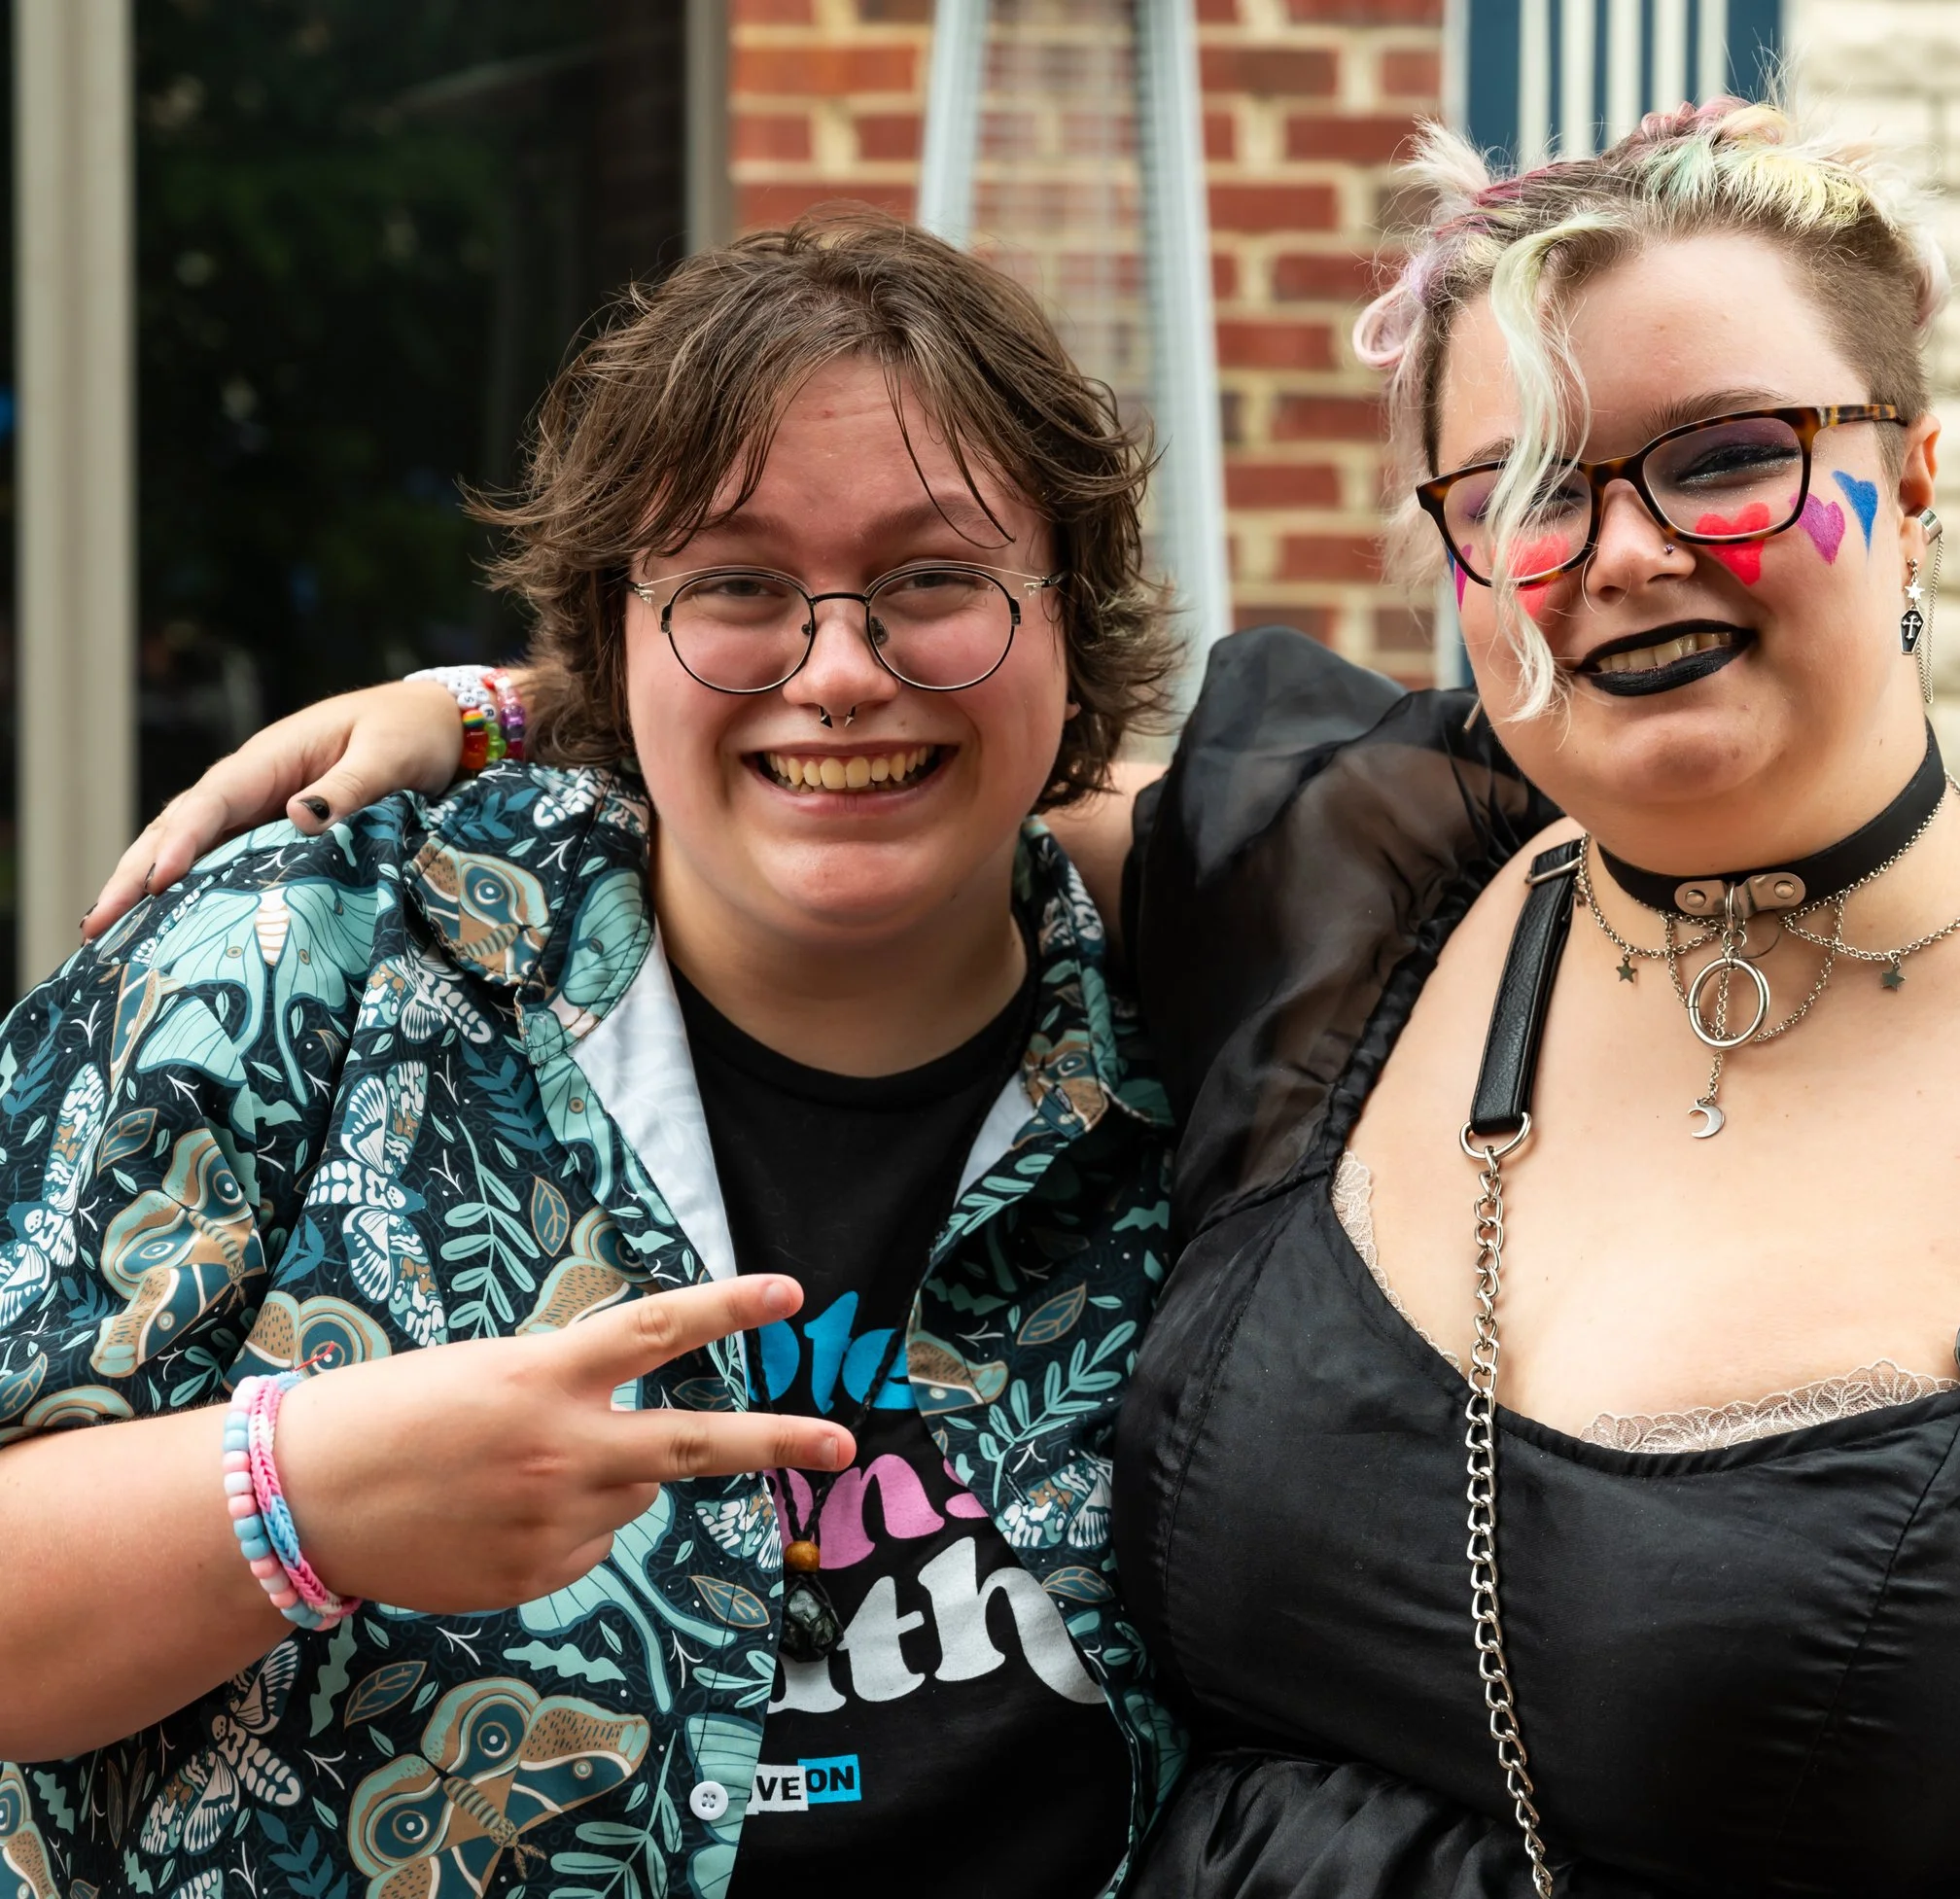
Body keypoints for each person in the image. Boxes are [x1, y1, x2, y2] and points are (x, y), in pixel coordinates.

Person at [90, 104, 1960, 1893]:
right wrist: (500, 705)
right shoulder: (1359, 883)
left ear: (1908, 484)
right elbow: (867, 731)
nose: (1608, 547)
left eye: (1722, 457)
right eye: (1514, 489)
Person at [2, 212, 1184, 1899]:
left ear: (1069, 624)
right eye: (734, 589)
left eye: (935, 581)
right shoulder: (302, 956)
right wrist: (301, 1497)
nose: (839, 670)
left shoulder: (1233, 1035)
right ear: (610, 638)